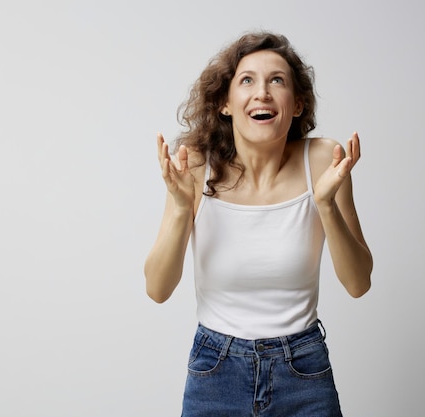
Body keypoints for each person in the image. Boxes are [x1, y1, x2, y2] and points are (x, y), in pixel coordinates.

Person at [144, 31, 373, 417]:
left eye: (277, 80)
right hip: (216, 371)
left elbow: (358, 283)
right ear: (225, 103)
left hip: (303, 370)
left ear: (297, 104)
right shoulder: (197, 166)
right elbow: (157, 289)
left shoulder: (323, 159)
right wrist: (183, 209)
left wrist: (326, 205)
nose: (262, 92)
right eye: (247, 80)